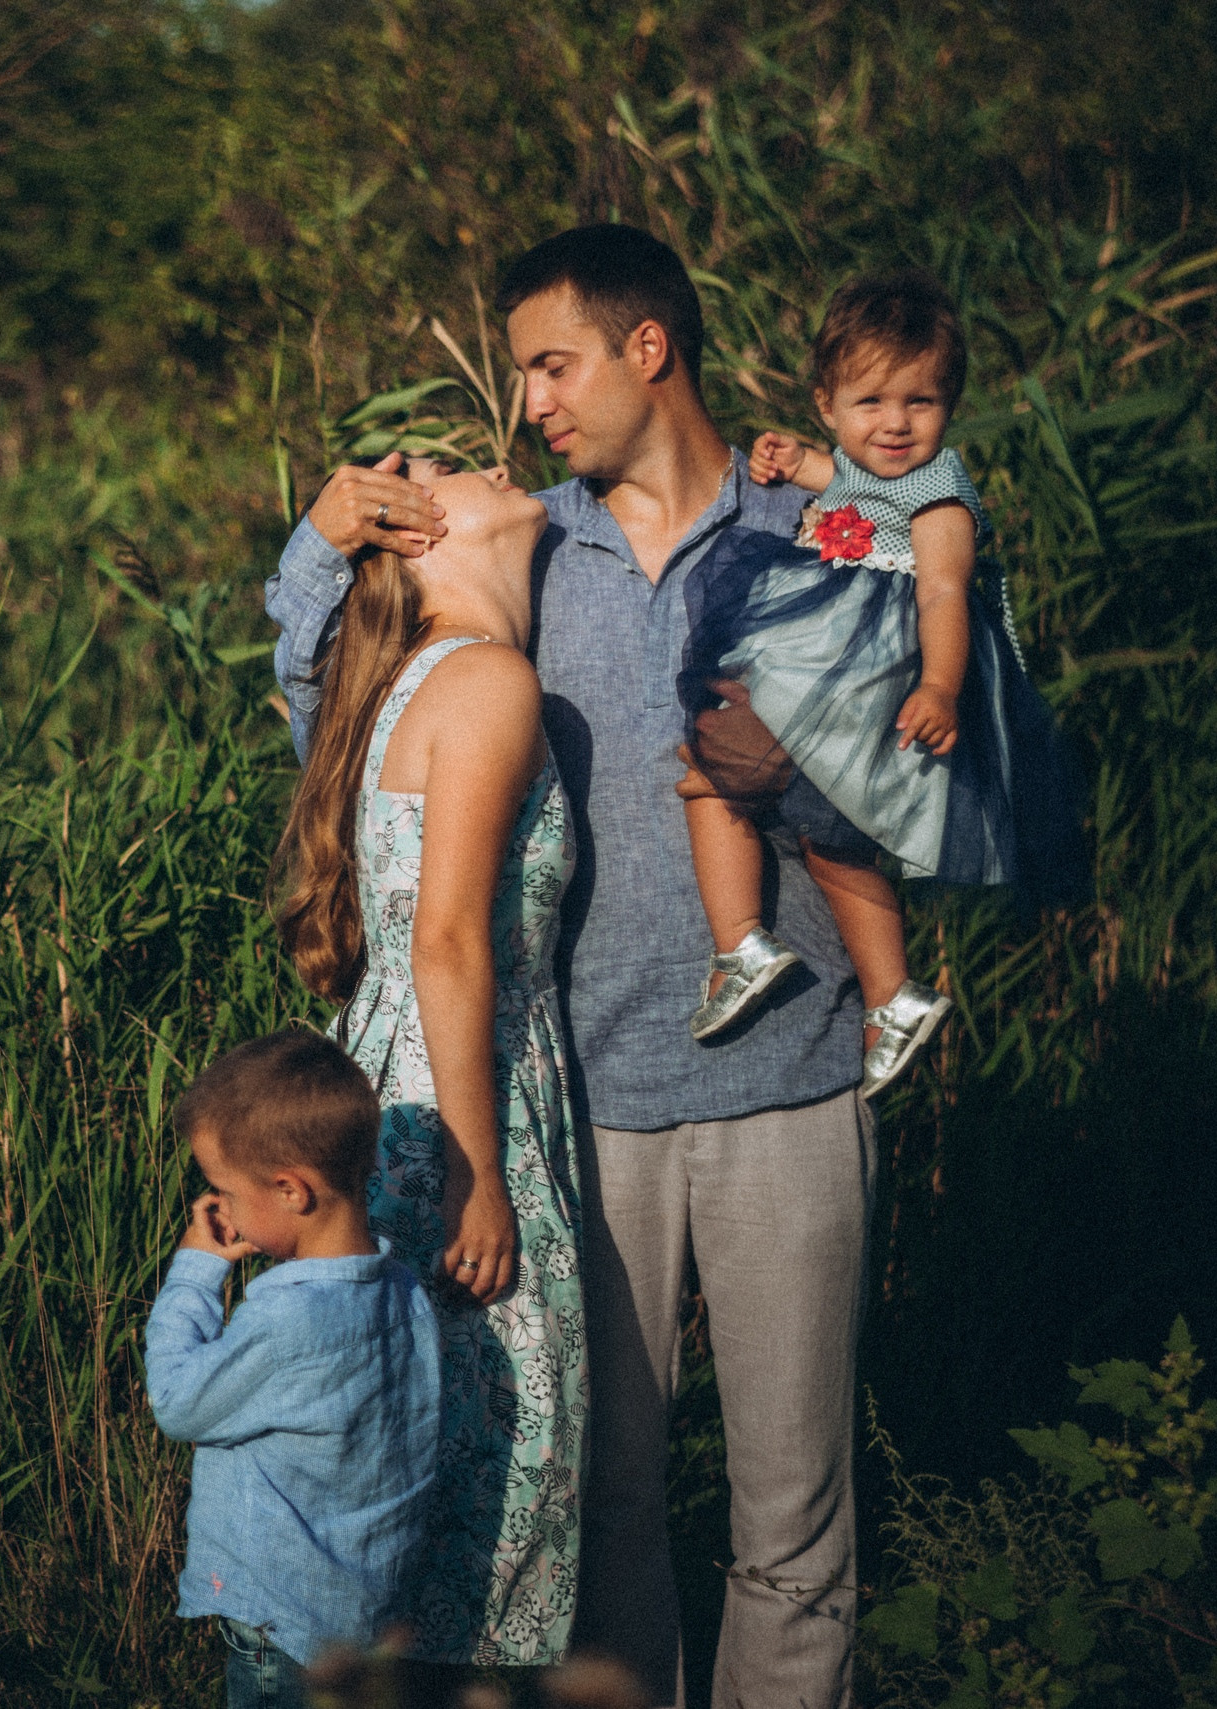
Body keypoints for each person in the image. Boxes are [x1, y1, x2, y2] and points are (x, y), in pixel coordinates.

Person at [266, 224, 875, 1708]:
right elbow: (332, 707)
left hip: (786, 1087)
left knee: (791, 1527)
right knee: (599, 1516)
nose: (530, 402)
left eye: (550, 363)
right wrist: (314, 539)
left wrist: (796, 769)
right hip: (581, 1108)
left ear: (646, 347)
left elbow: (926, 770)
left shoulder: (813, 532)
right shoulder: (534, 549)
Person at [272, 458, 588, 1668]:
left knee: (424, 1479)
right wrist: (479, 1169)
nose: (505, 465)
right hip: (459, 1105)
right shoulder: (489, 681)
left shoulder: (407, 682)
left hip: (399, 1090)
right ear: (418, 540)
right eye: (465, 465)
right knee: (505, 1480)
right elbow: (449, 937)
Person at [682, 270, 1085, 1093]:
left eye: (921, 402)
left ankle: (811, 966)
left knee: (768, 805)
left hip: (874, 676)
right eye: (870, 403)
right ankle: (826, 972)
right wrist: (794, 461)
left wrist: (939, 685)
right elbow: (847, 487)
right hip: (826, 667)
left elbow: (943, 590)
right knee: (779, 812)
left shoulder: (941, 492)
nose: (896, 423)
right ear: (827, 406)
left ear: (951, 404)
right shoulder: (865, 468)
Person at [146, 1029, 444, 1709]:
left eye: (224, 1188)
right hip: (365, 1613)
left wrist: (197, 1267)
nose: (218, 1206)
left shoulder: (290, 1321)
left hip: (282, 1627)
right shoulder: (402, 1291)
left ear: (290, 1190)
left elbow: (177, 1398)